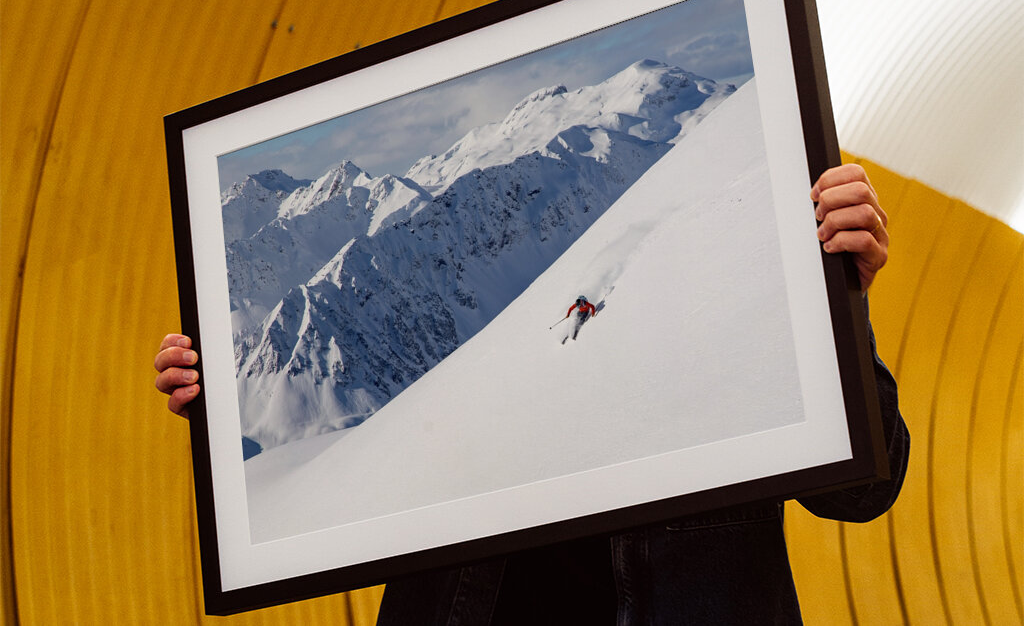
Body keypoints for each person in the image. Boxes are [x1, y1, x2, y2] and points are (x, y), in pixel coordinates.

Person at [154, 164, 908, 624]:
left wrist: (838, 298)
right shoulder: (484, 373)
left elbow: (864, 489)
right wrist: (220, 409)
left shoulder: (744, 268)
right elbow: (372, 463)